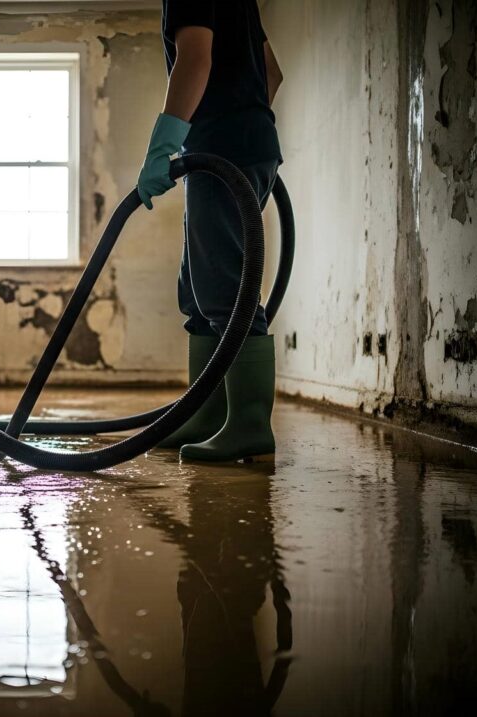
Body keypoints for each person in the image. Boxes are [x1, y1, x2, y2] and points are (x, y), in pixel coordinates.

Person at [137, 0, 284, 462]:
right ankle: (208, 414)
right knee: (200, 288)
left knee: (225, 289)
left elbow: (195, 57)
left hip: (221, 151)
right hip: (244, 145)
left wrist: (164, 144)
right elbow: (271, 73)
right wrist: (245, 121)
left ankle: (248, 424)